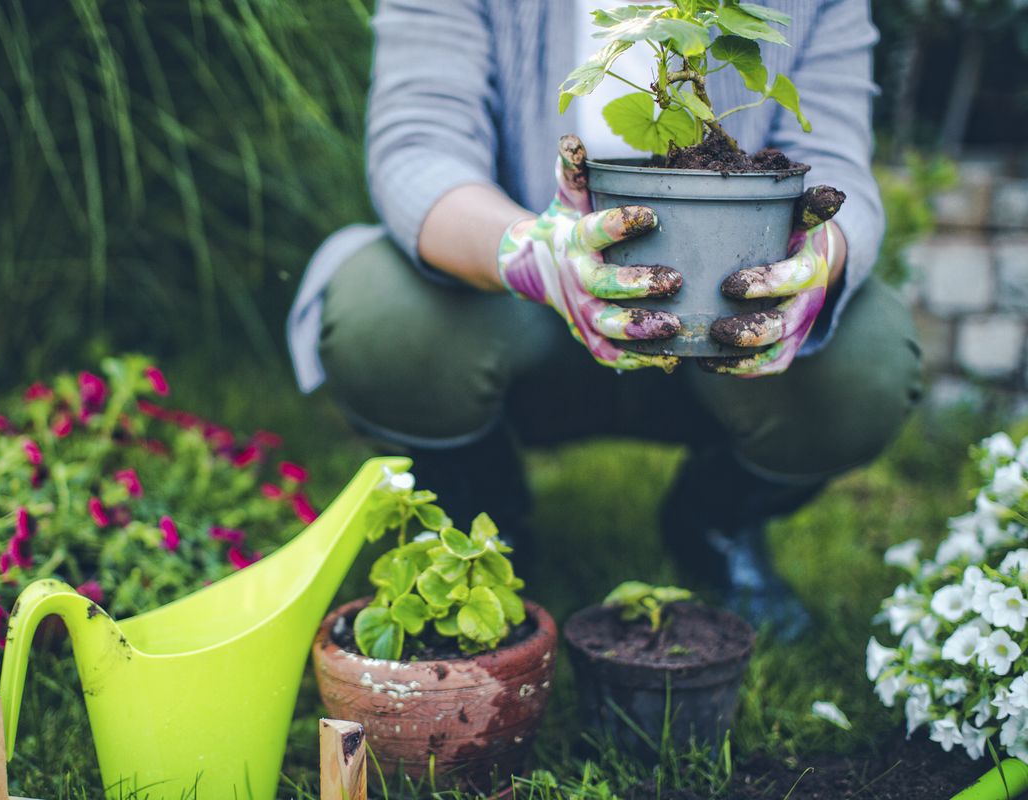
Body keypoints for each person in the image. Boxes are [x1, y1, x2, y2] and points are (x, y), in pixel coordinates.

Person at [285, 0, 922, 640]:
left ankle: (716, 517)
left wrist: (819, 258)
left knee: (866, 363)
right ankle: (482, 507)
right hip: (513, 311)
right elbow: (418, 148)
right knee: (381, 316)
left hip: (725, 313)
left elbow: (834, 158)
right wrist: (535, 255)